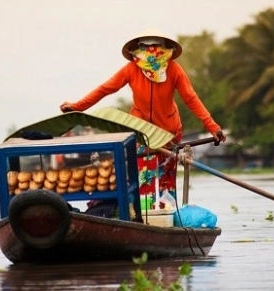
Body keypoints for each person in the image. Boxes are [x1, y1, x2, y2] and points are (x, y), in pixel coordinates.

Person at [59, 28, 226, 218]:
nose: (151, 52)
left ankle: (165, 218)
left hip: (169, 132)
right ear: (137, 51)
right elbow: (106, 88)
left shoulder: (174, 69)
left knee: (166, 180)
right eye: (145, 48)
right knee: (143, 178)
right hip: (141, 133)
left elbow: (191, 98)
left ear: (165, 49)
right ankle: (143, 218)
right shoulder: (132, 69)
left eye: (155, 47)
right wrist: (78, 106)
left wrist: (212, 126)